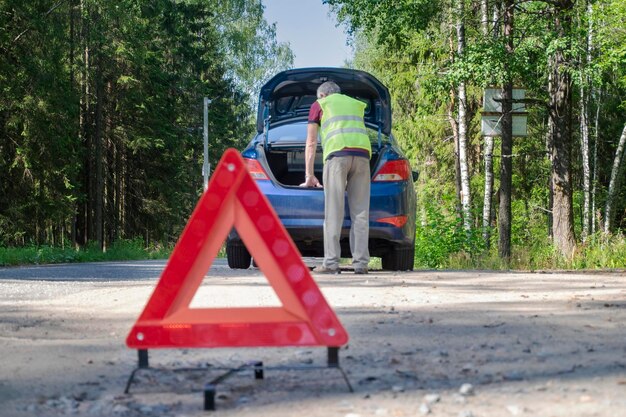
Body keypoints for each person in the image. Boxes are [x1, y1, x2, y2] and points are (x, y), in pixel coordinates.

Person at [300, 81, 371, 274]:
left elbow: (312, 141)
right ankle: (361, 264)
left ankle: (331, 264)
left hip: (337, 157)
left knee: (334, 211)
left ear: (322, 95)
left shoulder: (320, 105)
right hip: (363, 156)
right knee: (360, 213)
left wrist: (309, 175)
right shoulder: (355, 103)